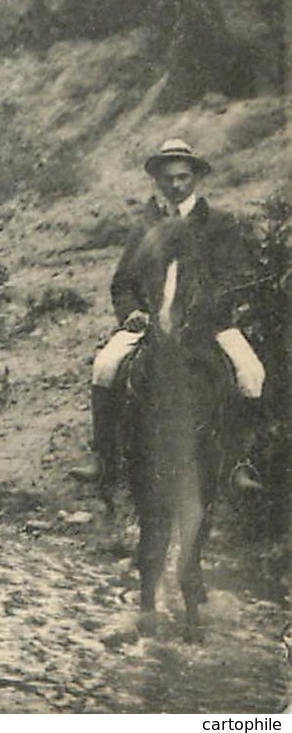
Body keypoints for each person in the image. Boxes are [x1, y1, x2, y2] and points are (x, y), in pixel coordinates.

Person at [69, 138, 266, 491]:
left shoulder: (219, 224)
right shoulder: (145, 227)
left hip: (208, 325)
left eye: (183, 177)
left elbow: (236, 277)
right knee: (104, 366)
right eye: (168, 178)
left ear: (196, 178)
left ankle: (241, 462)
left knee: (251, 374)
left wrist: (204, 312)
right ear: (157, 181)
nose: (175, 185)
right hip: (150, 324)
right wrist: (131, 312)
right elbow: (123, 283)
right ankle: (101, 456)